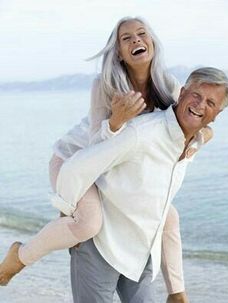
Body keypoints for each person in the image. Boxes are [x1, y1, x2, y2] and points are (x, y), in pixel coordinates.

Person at [0, 17, 212, 303]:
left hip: (111, 169)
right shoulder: (106, 85)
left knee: (169, 216)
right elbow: (92, 151)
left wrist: (200, 137)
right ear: (120, 54)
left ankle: (177, 293)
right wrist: (115, 123)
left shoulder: (169, 86)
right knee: (88, 224)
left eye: (141, 34)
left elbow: (185, 129)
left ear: (152, 43)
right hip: (73, 161)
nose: (136, 40)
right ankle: (20, 256)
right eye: (126, 38)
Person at [51, 67, 228, 302]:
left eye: (210, 102)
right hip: (101, 244)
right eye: (196, 95)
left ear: (216, 115)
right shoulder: (142, 132)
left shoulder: (193, 142)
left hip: (141, 251)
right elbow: (76, 168)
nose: (200, 105)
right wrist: (70, 215)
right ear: (182, 92)